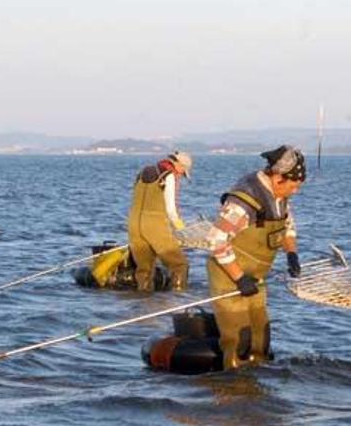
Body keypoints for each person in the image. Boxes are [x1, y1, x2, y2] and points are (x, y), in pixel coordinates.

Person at [204, 145, 305, 370]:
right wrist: (239, 278)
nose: (295, 191)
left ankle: (258, 397)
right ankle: (231, 395)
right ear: (278, 178)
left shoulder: (280, 197)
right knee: (241, 342)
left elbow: (287, 225)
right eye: (294, 186)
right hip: (229, 279)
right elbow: (216, 240)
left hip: (256, 280)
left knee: (261, 340)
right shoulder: (245, 200)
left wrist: (292, 253)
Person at [127, 151, 193, 292]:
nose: (181, 175)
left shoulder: (143, 172)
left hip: (134, 224)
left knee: (144, 269)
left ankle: (142, 302)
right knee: (179, 264)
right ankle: (178, 300)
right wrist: (181, 228)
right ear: (178, 165)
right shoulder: (168, 176)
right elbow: (170, 209)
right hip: (154, 225)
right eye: (183, 172)